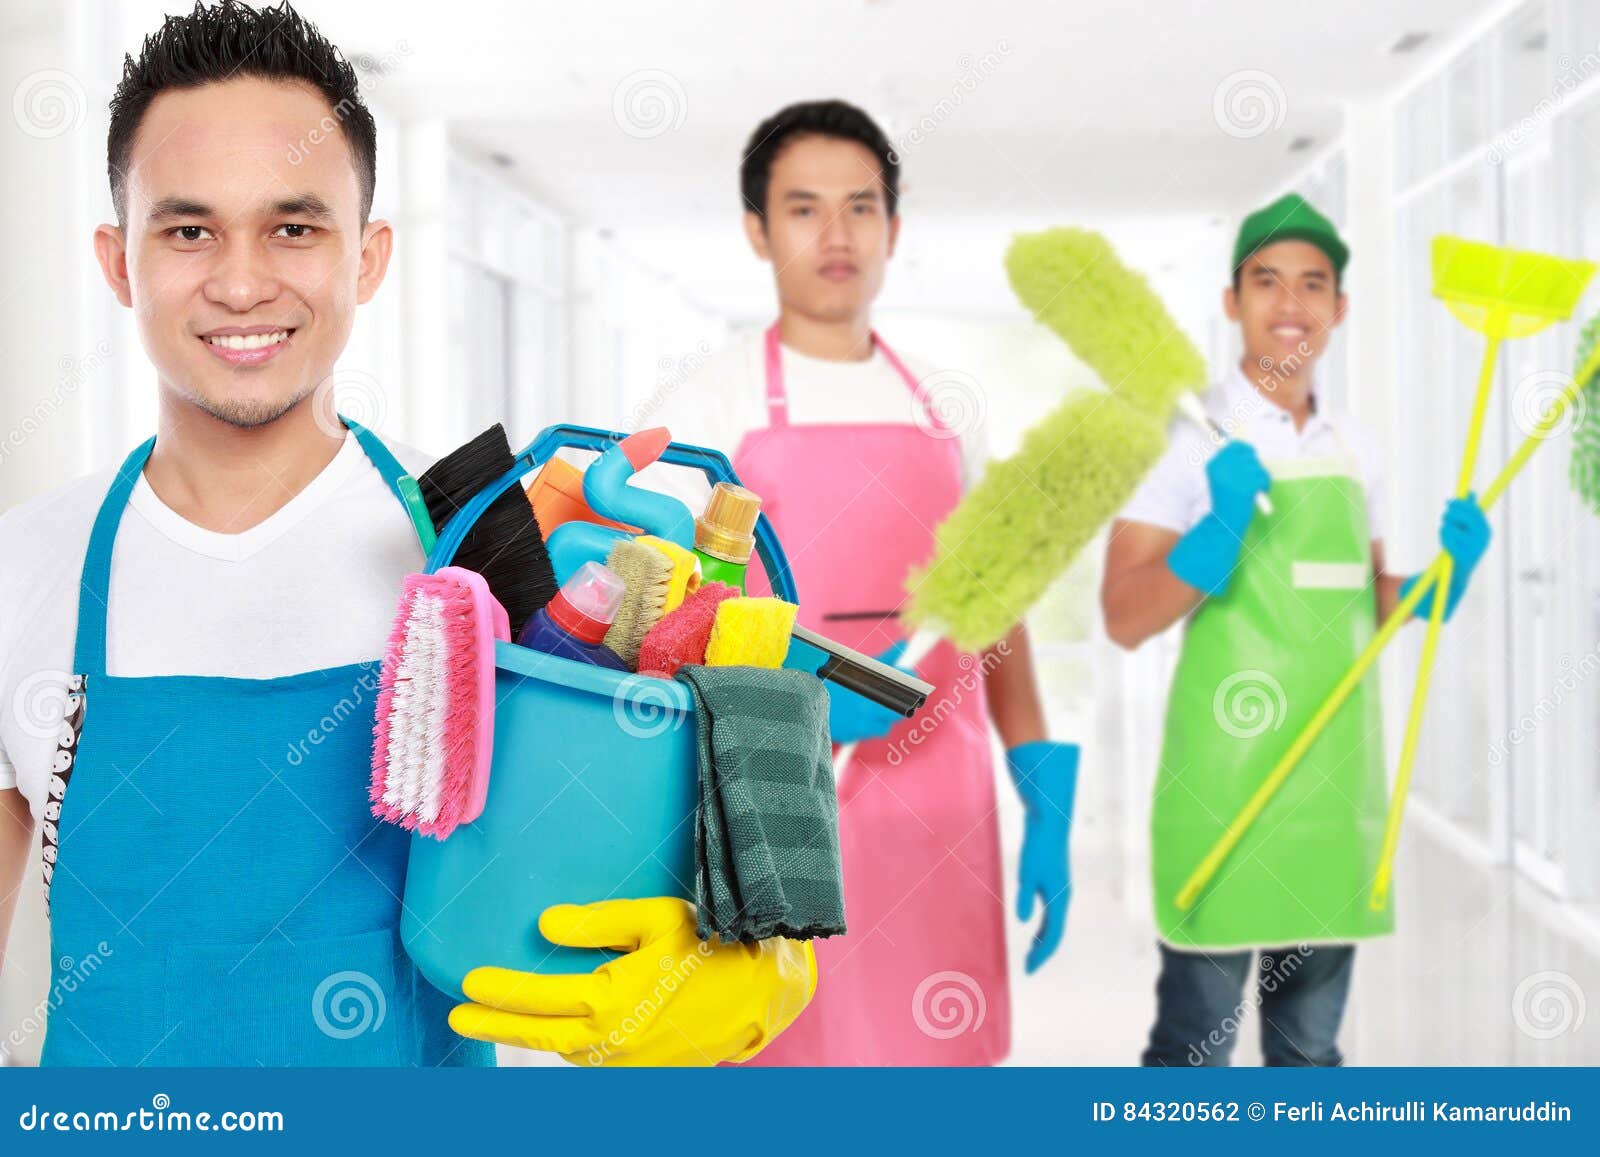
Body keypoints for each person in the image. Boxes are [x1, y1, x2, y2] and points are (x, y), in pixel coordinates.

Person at [0, 0, 811, 1068]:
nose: (242, 281)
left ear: (369, 258)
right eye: (189, 229)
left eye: (294, 226)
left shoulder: (490, 549)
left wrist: (760, 958)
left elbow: (704, 828)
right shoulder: (20, 569)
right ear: (119, 262)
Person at [640, 100, 1080, 1066]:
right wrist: (801, 704)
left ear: (894, 226)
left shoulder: (948, 409)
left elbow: (992, 606)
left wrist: (1041, 781)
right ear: (758, 229)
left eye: (861, 206)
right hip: (776, 799)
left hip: (940, 803)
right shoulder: (705, 405)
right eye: (804, 209)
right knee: (786, 1056)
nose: (836, 235)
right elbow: (655, 618)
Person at [1101, 194, 1491, 1066]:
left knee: (1311, 1049)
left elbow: (1377, 605)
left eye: (1313, 285)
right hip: (1224, 780)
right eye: (1266, 282)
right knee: (1195, 1044)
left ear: (1339, 308)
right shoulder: (1183, 440)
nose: (1290, 305)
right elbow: (1124, 617)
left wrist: (1444, 583)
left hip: (1329, 781)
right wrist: (1218, 534)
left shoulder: (1358, 446)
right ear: (1233, 299)